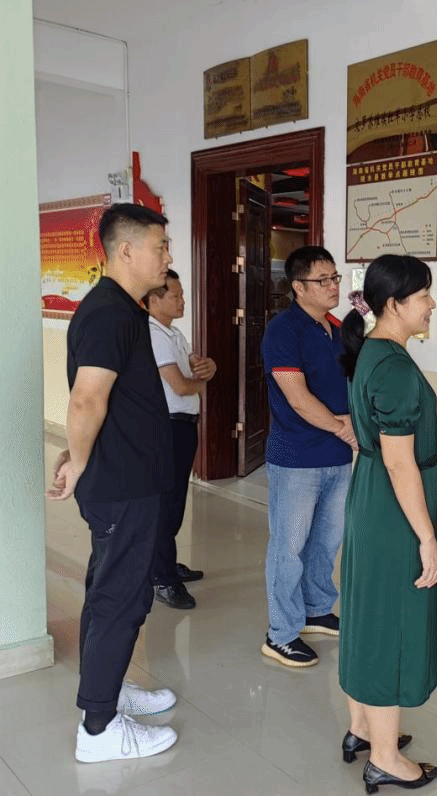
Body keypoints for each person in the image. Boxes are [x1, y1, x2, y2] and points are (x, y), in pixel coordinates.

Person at [48, 203, 181, 762]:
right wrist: (78, 461)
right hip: (121, 485)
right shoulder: (109, 313)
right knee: (119, 598)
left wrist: (79, 452)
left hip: (131, 478)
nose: (168, 255)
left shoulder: (122, 309)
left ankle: (106, 689)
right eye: (160, 246)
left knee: (111, 590)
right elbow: (87, 398)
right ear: (126, 251)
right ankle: (98, 730)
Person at [337, 255, 437, 792]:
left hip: (370, 497)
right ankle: (384, 758)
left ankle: (362, 728)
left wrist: (433, 448)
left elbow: (386, 436)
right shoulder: (396, 367)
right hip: (393, 511)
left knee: (367, 614)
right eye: (423, 295)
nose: (431, 304)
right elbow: (399, 462)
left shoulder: (373, 353)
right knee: (390, 623)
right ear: (394, 304)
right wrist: (427, 538)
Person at [260, 245, 356, 667]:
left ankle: (316, 610)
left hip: (339, 456)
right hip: (297, 458)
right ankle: (280, 633)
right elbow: (297, 398)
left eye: (335, 277)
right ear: (298, 287)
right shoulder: (283, 330)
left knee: (326, 541)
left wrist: (351, 429)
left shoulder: (338, 329)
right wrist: (343, 427)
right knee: (289, 547)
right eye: (323, 280)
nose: (333, 286)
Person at [144, 269, 216, 609]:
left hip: (184, 425)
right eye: (175, 296)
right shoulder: (153, 334)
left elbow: (196, 367)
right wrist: (204, 382)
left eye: (182, 295)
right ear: (154, 299)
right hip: (167, 427)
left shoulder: (173, 332)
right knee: (165, 505)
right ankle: (161, 579)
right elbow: (182, 385)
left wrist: (209, 367)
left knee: (175, 502)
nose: (182, 301)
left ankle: (166, 564)